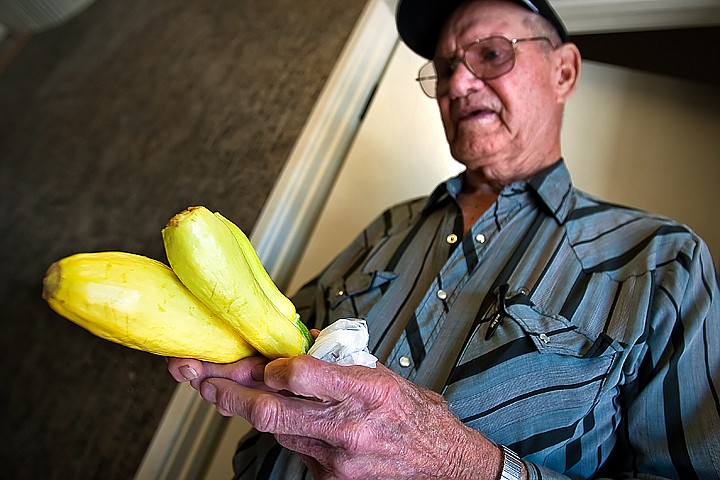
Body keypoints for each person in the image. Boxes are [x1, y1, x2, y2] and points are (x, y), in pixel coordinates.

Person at [168, 0, 720, 478]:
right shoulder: (385, 229)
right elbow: (269, 351)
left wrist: (467, 466)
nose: (457, 83)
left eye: (492, 54)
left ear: (564, 71)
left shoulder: (662, 262)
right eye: (445, 65)